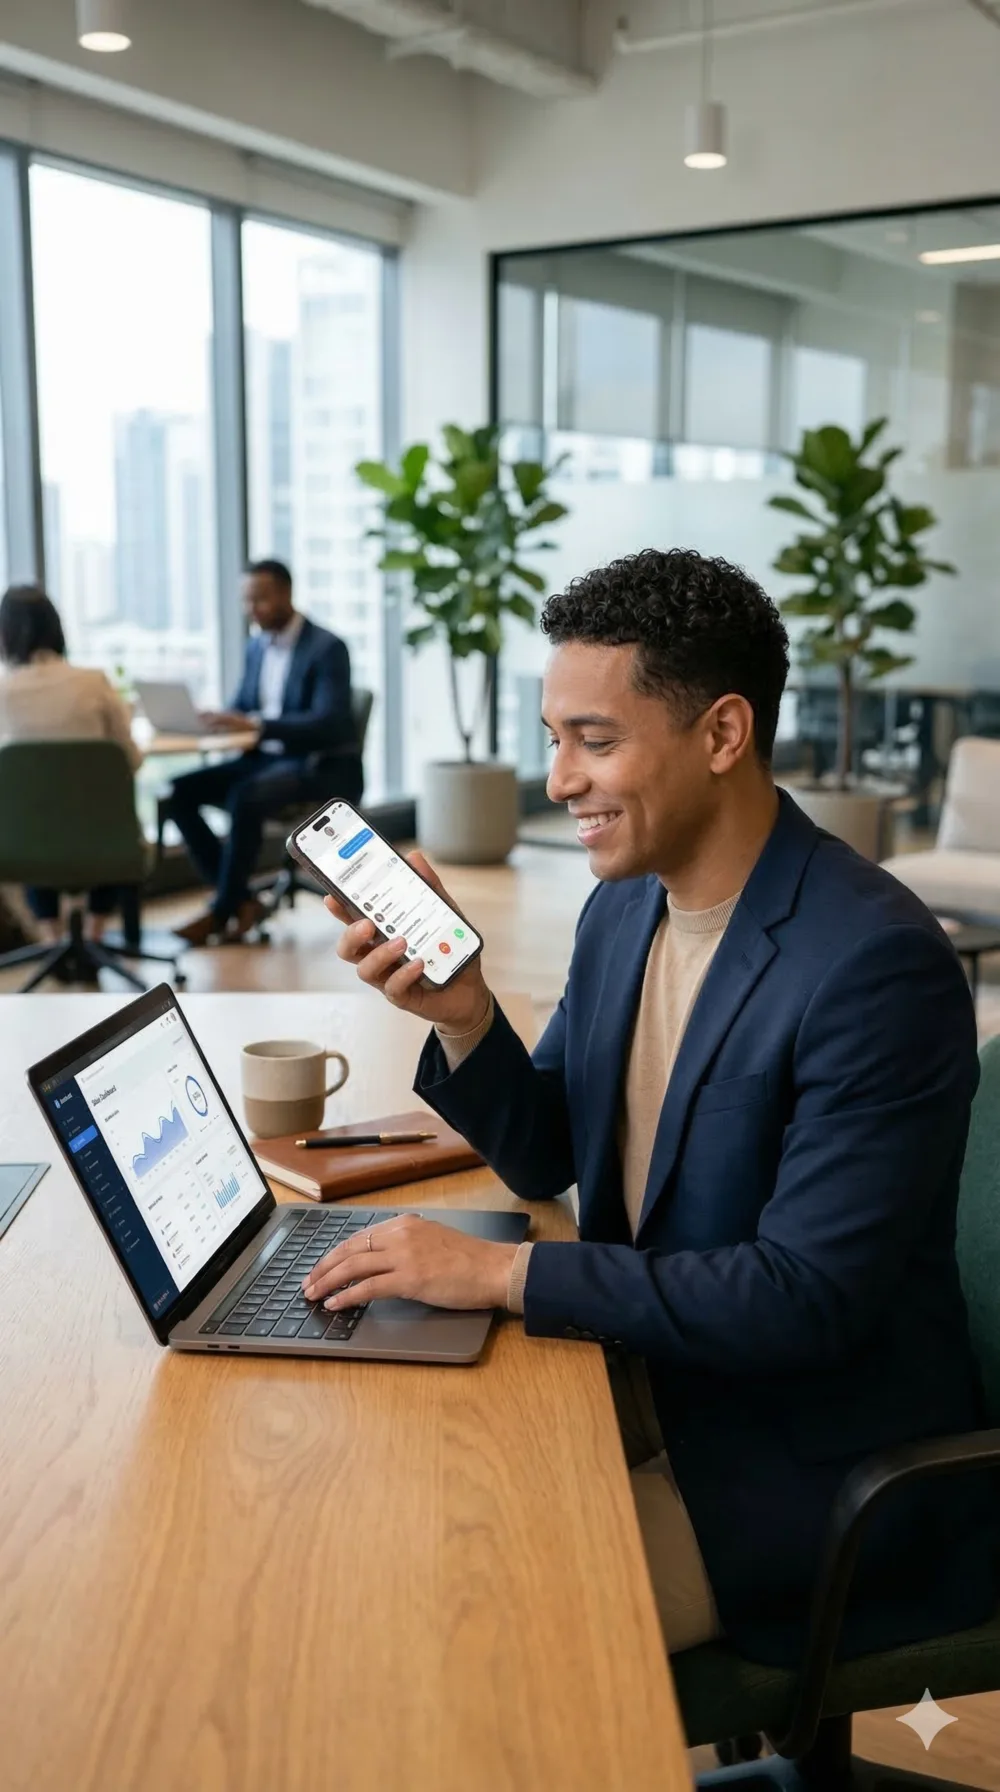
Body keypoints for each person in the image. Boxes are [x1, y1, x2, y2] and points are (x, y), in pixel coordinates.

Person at [303, 546, 999, 1668]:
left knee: (460, 1631)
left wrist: (502, 1275)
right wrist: (467, 1015)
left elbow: (803, 1298)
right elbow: (549, 1154)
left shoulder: (874, 964)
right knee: (388, 1497)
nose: (558, 780)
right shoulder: (626, 908)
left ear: (722, 734)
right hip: (645, 1379)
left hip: (800, 1471)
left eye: (595, 740)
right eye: (553, 738)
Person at [168, 559, 361, 945]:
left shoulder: (327, 648)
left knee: (245, 796)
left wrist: (258, 725)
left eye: (260, 599)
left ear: (286, 594)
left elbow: (329, 722)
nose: (251, 609)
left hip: (316, 764)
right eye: (246, 601)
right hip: (264, 760)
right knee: (177, 792)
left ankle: (222, 909)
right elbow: (244, 705)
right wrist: (219, 718)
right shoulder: (256, 646)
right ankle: (239, 899)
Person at [0, 583, 142, 946]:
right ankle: (94, 935)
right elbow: (130, 760)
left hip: (24, 845)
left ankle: (52, 940)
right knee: (103, 821)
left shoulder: (4, 693)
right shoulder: (94, 683)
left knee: (34, 821)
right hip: (106, 841)